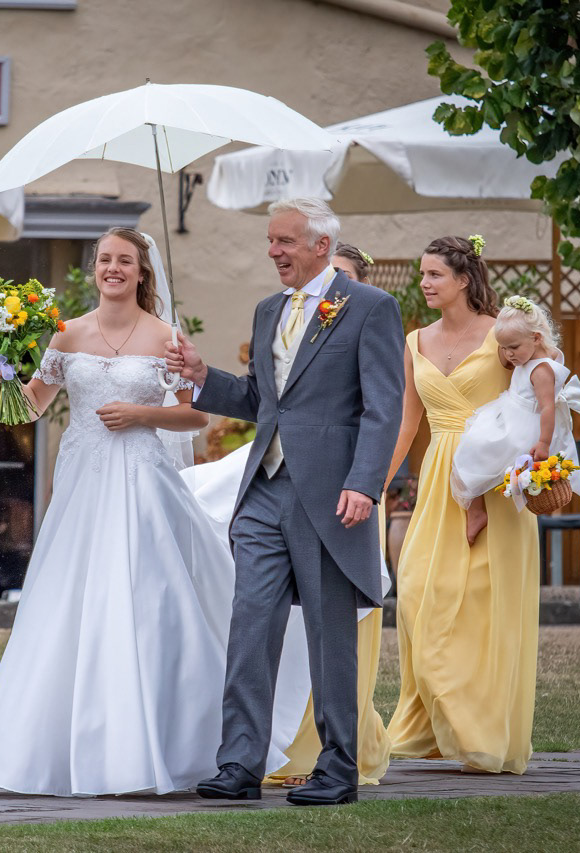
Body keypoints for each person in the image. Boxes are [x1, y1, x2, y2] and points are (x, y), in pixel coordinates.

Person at [0, 228, 253, 796]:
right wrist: (5, 377)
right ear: (94, 269)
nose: (112, 268)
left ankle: (165, 739)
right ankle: (62, 746)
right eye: (104, 260)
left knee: (146, 596)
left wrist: (143, 415)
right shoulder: (66, 333)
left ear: (142, 272)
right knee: (71, 597)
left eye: (124, 261)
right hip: (83, 485)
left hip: (144, 482)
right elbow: (26, 410)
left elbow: (196, 418)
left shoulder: (167, 337)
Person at [166, 198, 405, 806]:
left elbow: (383, 406)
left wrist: (364, 482)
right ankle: (239, 764)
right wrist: (202, 374)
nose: (273, 251)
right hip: (263, 493)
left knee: (329, 634)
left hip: (329, 497)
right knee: (250, 627)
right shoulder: (268, 309)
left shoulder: (371, 307)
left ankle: (337, 768)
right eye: (270, 241)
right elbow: (260, 400)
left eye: (284, 241)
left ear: (321, 245)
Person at [384, 236, 540, 775]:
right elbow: (408, 423)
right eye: (422, 274)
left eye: (434, 275)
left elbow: (542, 391)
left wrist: (539, 464)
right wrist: (373, 483)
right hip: (438, 483)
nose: (424, 283)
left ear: (464, 280)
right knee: (415, 598)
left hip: (495, 484)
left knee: (482, 607)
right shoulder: (415, 341)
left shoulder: (504, 334)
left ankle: (480, 734)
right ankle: (438, 723)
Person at [450, 295, 580, 530]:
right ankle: (477, 508)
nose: (508, 354)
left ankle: (477, 512)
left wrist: (544, 443)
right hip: (510, 412)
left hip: (523, 425)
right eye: (503, 347)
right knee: (472, 446)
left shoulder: (541, 370)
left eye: (513, 347)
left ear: (536, 338)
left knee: (474, 449)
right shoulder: (530, 356)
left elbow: (548, 407)